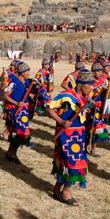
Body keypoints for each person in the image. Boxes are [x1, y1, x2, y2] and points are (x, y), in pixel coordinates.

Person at [46, 70, 94, 206]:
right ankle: (66, 191)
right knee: (72, 162)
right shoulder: (66, 96)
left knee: (66, 162)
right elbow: (49, 108)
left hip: (79, 135)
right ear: (80, 85)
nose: (91, 88)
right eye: (88, 85)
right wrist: (61, 121)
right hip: (66, 135)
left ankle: (56, 188)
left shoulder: (83, 99)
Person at [3, 61, 34, 164]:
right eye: (27, 71)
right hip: (15, 110)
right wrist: (16, 103)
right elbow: (6, 95)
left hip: (23, 110)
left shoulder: (27, 82)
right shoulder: (14, 82)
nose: (29, 73)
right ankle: (12, 153)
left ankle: (11, 153)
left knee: (17, 133)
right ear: (22, 72)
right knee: (21, 132)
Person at [86, 62, 110, 157]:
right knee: (89, 128)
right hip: (91, 108)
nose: (101, 73)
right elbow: (86, 95)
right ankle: (87, 147)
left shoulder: (104, 80)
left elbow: (108, 94)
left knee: (97, 128)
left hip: (100, 108)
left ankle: (93, 149)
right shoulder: (89, 81)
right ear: (94, 72)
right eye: (99, 71)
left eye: (101, 71)